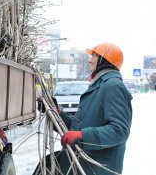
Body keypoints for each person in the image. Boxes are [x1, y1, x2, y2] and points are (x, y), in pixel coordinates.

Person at [53, 42, 132, 174]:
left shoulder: (113, 86)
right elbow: (78, 126)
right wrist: (58, 113)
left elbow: (120, 130)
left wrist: (82, 136)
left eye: (94, 56)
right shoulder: (99, 85)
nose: (90, 60)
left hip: (98, 168)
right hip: (84, 164)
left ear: (104, 60)